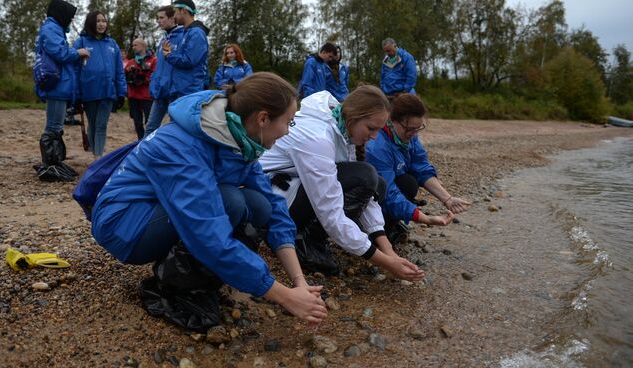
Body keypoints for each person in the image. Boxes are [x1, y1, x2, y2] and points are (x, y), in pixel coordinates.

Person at [91, 72, 327, 330]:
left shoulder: (237, 137)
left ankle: (203, 281)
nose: (287, 131)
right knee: (231, 202)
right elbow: (208, 234)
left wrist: (299, 280)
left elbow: (275, 207)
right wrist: (284, 297)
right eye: (289, 122)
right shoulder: (184, 146)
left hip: (155, 212)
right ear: (262, 118)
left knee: (259, 204)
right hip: (125, 226)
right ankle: (176, 287)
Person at [259, 86, 425, 282]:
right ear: (354, 117)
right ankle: (305, 241)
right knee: (365, 176)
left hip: (293, 185)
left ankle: (316, 237)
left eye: (378, 130)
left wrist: (388, 251)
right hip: (270, 199)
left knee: (376, 183)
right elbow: (331, 213)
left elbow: (367, 196)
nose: (373, 137)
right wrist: (385, 263)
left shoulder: (342, 126)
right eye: (371, 128)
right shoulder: (317, 138)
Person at [366, 94, 467, 242]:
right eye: (409, 129)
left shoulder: (409, 136)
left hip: (390, 185)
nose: (413, 134)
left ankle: (391, 224)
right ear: (392, 121)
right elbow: (388, 194)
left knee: (409, 182)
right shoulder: (378, 147)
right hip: (369, 195)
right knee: (402, 187)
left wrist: (448, 199)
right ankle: (374, 231)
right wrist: (425, 219)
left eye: (418, 128)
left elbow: (421, 167)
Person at [34, 0, 89, 181]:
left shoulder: (54, 29)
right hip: (56, 85)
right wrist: (78, 52)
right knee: (53, 127)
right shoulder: (50, 29)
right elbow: (60, 53)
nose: (71, 20)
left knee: (56, 127)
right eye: (70, 16)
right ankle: (49, 165)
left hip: (59, 85)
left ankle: (55, 162)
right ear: (61, 14)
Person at [74, 11, 127, 157]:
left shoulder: (112, 44)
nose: (102, 24)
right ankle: (95, 155)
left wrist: (121, 92)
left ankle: (98, 157)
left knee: (101, 125)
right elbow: (74, 69)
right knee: (93, 123)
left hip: (108, 91)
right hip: (88, 91)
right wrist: (76, 93)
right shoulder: (81, 42)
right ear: (91, 22)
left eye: (104, 21)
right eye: (98, 21)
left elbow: (119, 71)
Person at [143, 5, 183, 137]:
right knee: (150, 127)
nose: (158, 21)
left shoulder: (183, 36)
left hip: (174, 92)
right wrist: (154, 83)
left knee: (175, 129)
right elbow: (159, 66)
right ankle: (142, 154)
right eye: (157, 18)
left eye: (161, 18)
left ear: (172, 18)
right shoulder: (163, 39)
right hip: (160, 91)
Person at [163, 0, 209, 100]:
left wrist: (168, 55)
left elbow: (188, 61)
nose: (173, 16)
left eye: (175, 12)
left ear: (183, 11)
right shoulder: (186, 32)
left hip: (190, 91)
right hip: (181, 90)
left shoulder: (196, 33)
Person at [125, 38, 157, 139]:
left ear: (143, 46)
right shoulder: (130, 62)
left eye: (135, 45)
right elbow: (124, 77)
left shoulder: (153, 60)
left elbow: (155, 77)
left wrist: (143, 78)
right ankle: (140, 141)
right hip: (133, 96)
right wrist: (129, 73)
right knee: (137, 122)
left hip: (146, 96)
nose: (133, 47)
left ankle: (149, 141)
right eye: (133, 45)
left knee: (149, 122)